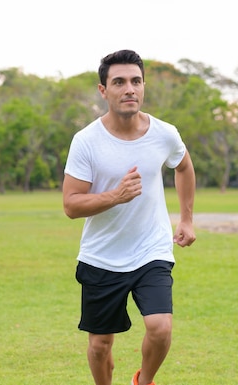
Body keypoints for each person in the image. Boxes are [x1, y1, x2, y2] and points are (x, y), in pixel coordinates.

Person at [62, 49, 196, 385]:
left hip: (151, 249)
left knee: (160, 327)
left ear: (143, 86)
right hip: (101, 256)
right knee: (99, 346)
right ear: (103, 90)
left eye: (136, 81)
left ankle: (144, 381)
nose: (129, 89)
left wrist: (186, 219)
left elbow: (183, 166)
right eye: (119, 82)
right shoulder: (86, 142)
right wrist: (115, 196)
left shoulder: (164, 133)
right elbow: (71, 205)